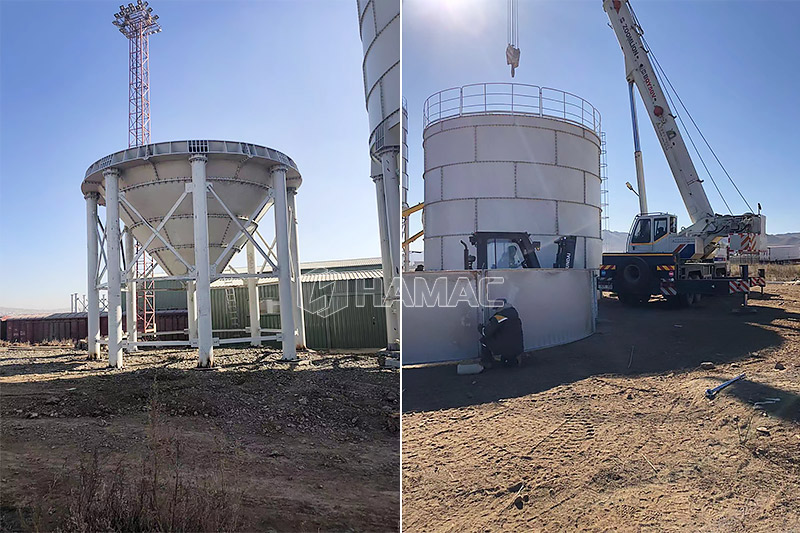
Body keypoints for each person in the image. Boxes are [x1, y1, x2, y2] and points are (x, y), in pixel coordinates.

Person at [478, 298, 524, 368]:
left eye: (496, 308)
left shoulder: (499, 317)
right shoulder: (514, 314)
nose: (496, 310)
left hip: (506, 347)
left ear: (500, 307)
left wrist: (480, 328)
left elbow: (486, 332)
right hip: (517, 348)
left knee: (484, 341)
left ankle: (486, 362)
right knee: (507, 341)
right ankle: (512, 361)